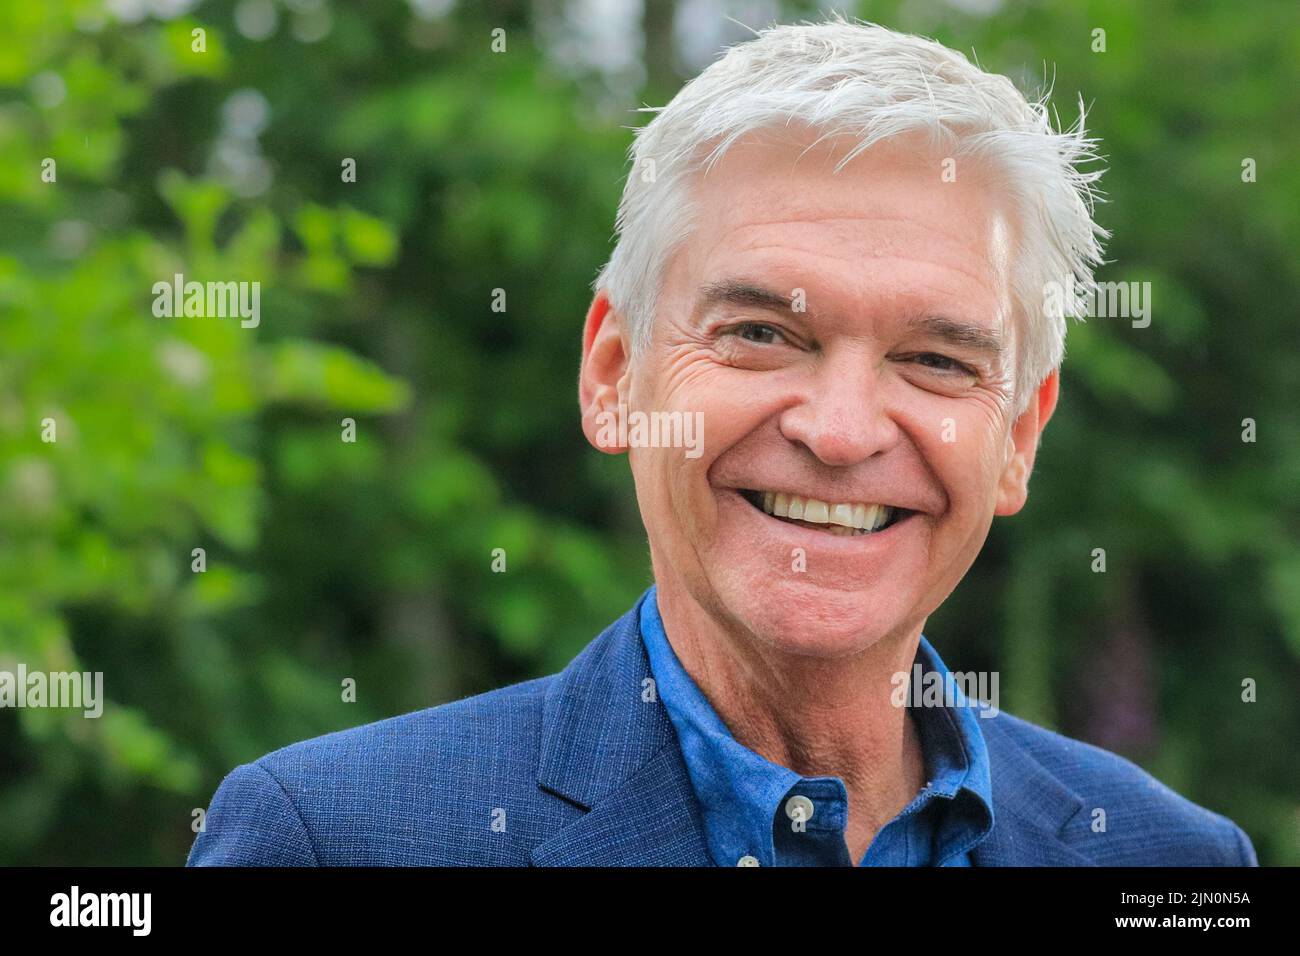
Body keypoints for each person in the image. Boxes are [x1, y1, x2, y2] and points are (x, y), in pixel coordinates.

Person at [189, 18, 1256, 867]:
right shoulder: (335, 839)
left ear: (1017, 435)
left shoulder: (1176, 860)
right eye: (760, 334)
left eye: (935, 359)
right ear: (614, 376)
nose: (840, 433)